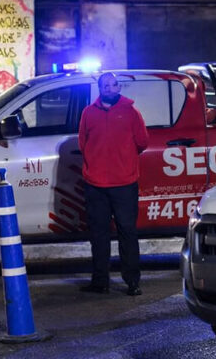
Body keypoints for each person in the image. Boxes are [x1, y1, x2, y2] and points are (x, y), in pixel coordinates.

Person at [78, 72, 149, 296]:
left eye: (113, 84)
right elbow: (83, 143)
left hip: (124, 183)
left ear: (119, 87)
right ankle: (100, 282)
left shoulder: (131, 112)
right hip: (95, 184)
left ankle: (132, 282)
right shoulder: (88, 113)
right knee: (98, 235)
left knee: (127, 232)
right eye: (105, 85)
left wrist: (123, 161)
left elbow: (142, 142)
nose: (109, 87)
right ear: (100, 88)